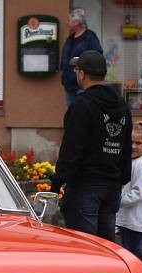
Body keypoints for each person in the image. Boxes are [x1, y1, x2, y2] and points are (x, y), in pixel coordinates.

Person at [51, 51, 132, 242]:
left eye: (77, 70)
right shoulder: (121, 104)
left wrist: (56, 185)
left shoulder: (82, 105)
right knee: (106, 249)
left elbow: (71, 149)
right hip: (112, 187)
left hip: (85, 187)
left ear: (81, 74)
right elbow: (125, 146)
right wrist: (122, 178)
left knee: (86, 250)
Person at [116, 121, 142, 260]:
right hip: (128, 220)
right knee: (127, 254)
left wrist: (117, 201)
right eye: (130, 142)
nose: (133, 146)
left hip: (136, 222)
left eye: (138, 143)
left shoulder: (141, 165)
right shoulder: (129, 162)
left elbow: (138, 193)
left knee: (133, 256)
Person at [60, 8, 103, 107]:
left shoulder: (90, 37)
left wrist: (83, 63)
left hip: (83, 85)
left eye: (69, 20)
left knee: (83, 112)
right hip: (69, 85)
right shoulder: (70, 38)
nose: (66, 22)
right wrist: (63, 73)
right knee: (73, 114)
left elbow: (96, 56)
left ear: (76, 22)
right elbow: (65, 58)